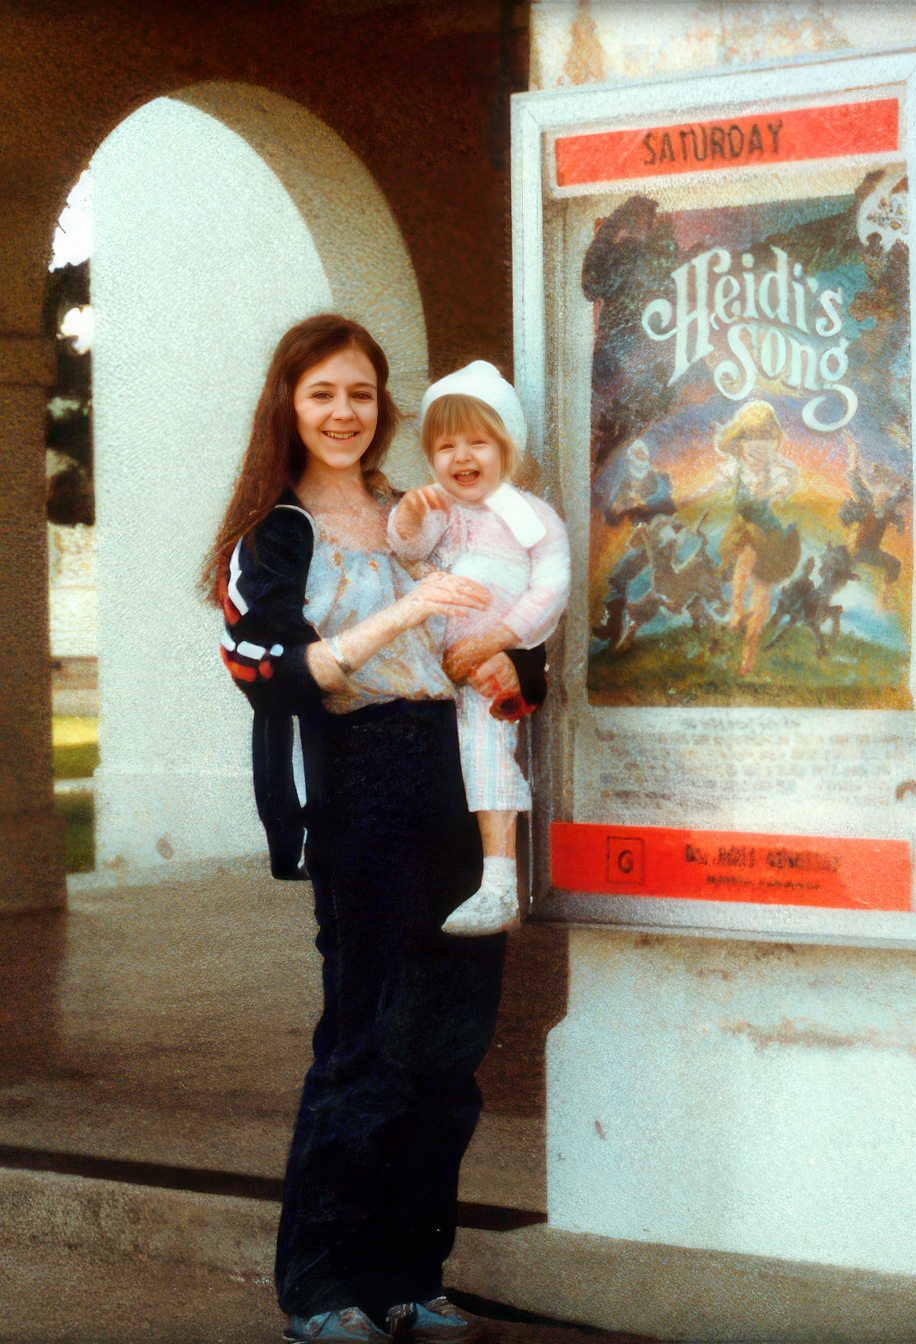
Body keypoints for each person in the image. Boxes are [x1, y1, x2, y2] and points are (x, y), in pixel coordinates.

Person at [203, 314, 527, 1344]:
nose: (343, 413)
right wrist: (401, 612)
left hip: (458, 778)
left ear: (382, 404)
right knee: (367, 1043)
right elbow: (273, 677)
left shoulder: (422, 510)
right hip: (362, 783)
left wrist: (511, 659)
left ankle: (409, 1275)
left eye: (359, 394)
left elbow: (499, 620)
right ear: (289, 407)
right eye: (321, 395)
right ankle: (320, 1285)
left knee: (450, 1048)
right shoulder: (277, 533)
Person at [388, 361, 570, 936]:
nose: (461, 457)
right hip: (426, 657)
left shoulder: (529, 516)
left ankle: (498, 882)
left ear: (506, 448)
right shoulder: (443, 512)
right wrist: (411, 515)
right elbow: (407, 548)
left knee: (488, 753)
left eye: (477, 443)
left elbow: (552, 585)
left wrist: (501, 638)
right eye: (445, 446)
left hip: (486, 664)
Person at [713, 400, 801, 676]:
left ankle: (749, 653)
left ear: (772, 441)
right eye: (750, 437)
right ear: (739, 442)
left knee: (763, 591)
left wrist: (780, 487)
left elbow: (790, 481)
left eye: (765, 437)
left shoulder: (779, 470)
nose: (758, 445)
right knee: (742, 566)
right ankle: (737, 609)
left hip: (768, 533)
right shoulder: (733, 469)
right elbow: (716, 487)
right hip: (743, 531)